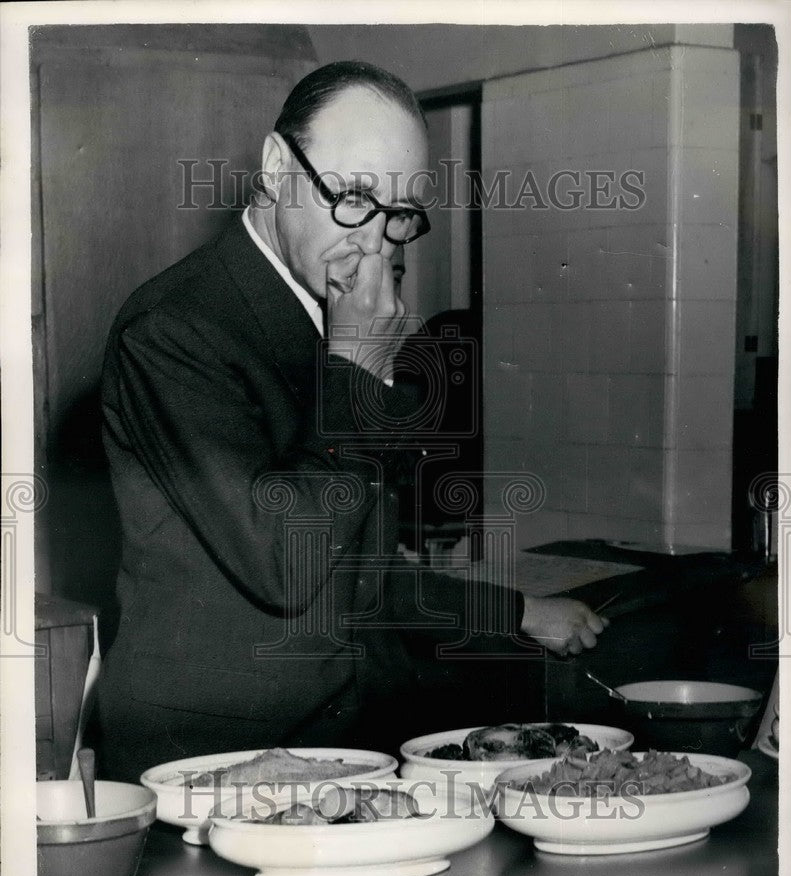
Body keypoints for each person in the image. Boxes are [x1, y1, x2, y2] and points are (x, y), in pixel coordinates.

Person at [97, 61, 606, 781]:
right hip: (214, 757)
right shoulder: (176, 330)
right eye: (355, 197)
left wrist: (512, 611)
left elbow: (359, 572)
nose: (374, 243)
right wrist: (360, 368)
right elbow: (285, 561)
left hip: (352, 736)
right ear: (277, 168)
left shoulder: (327, 313)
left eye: (398, 213)